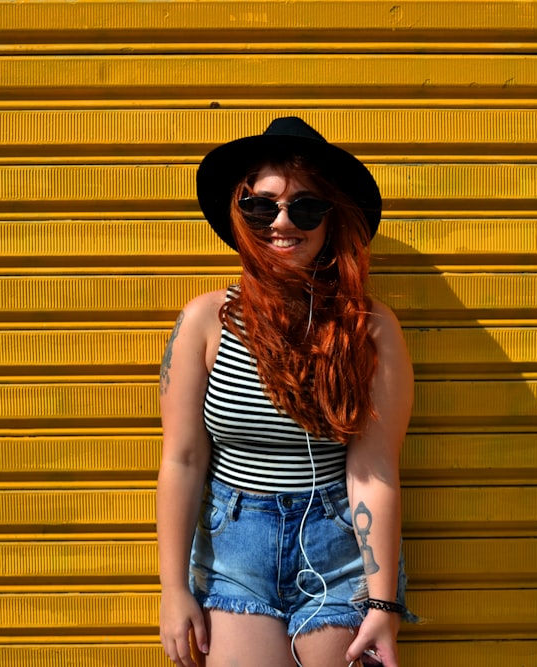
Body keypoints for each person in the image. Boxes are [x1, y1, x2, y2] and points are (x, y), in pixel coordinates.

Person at [157, 117, 415, 667]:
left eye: (305, 207)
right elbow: (181, 459)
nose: (281, 222)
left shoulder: (369, 328)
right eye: (262, 205)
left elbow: (374, 471)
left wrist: (383, 602)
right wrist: (173, 589)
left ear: (330, 220)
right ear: (240, 212)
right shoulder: (206, 321)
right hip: (235, 545)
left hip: (339, 546)